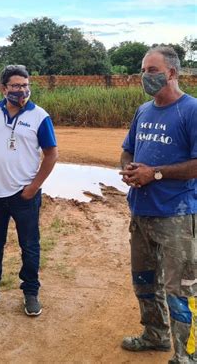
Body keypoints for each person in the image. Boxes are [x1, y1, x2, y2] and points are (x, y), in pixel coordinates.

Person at [119, 45, 197, 364]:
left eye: (152, 70)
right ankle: (155, 334)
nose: (144, 76)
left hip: (176, 215)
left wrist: (157, 173)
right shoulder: (144, 110)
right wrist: (130, 169)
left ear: (172, 73)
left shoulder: (191, 110)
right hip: (141, 211)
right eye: (142, 70)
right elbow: (128, 150)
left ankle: (186, 354)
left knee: (180, 289)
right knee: (144, 281)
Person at [0, 65, 58, 316]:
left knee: (29, 245)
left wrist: (33, 187)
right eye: (16, 86)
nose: (22, 90)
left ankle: (31, 292)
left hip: (24, 195)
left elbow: (51, 154)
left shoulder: (40, 116)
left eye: (26, 85)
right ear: (3, 88)